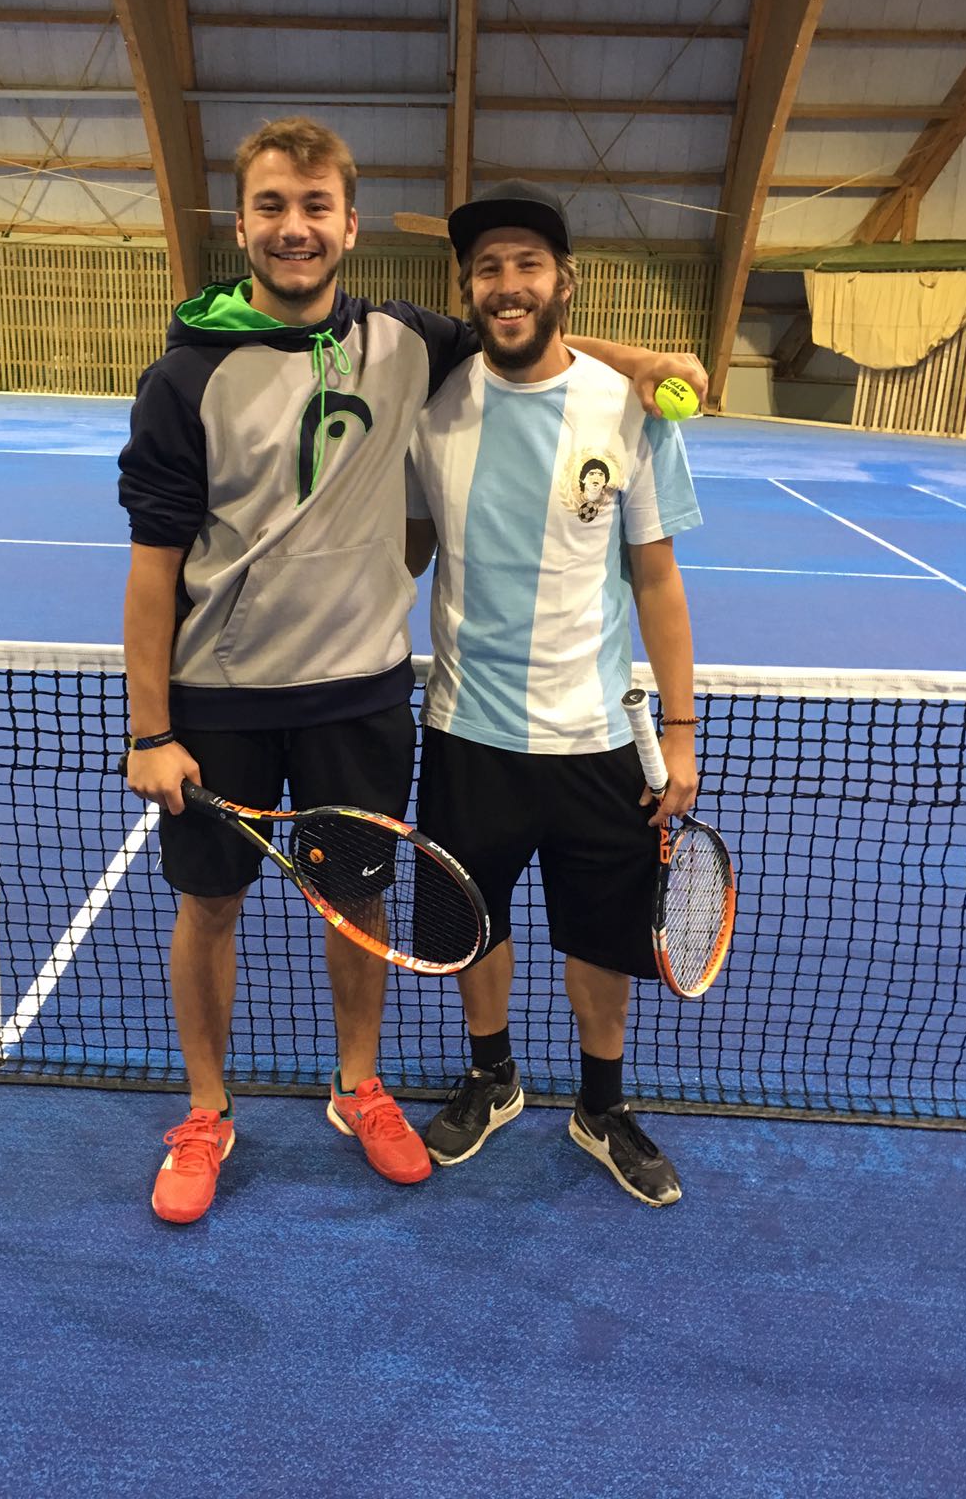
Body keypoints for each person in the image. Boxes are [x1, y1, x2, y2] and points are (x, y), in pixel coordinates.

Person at [119, 118, 707, 1224]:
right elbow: (155, 570)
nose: (295, 228)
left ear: (349, 224)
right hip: (248, 702)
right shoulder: (192, 377)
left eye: (315, 207)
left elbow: (534, 346)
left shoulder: (404, 345)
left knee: (363, 903)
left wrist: (644, 365)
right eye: (272, 207)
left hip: (371, 699)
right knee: (213, 906)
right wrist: (151, 730)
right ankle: (209, 1111)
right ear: (240, 223)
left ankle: (376, 1088)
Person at [404, 179, 701, 1206]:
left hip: (596, 739)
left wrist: (679, 731)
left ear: (564, 281)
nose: (508, 283)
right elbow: (403, 551)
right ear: (468, 287)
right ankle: (492, 1075)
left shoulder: (626, 408)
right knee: (474, 925)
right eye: (488, 266)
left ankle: (601, 1106)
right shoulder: (432, 405)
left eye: (527, 263)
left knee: (602, 936)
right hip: (466, 731)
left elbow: (656, 579)